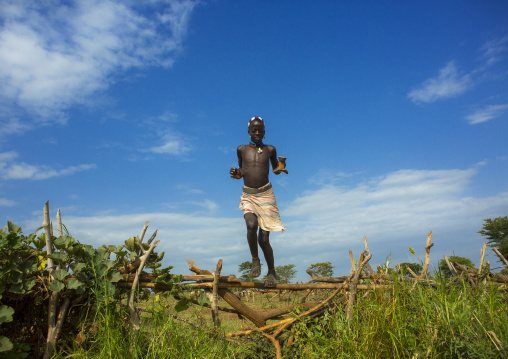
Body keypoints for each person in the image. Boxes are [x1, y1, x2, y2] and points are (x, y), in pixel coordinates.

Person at [230, 116, 288, 287]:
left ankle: (271, 271)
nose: (257, 132)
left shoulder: (270, 149)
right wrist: (236, 173)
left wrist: (280, 168)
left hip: (265, 195)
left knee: (263, 240)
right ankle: (255, 261)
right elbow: (242, 171)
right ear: (248, 132)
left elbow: (275, 169)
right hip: (248, 195)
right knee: (250, 225)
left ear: (264, 132)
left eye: (260, 130)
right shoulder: (241, 149)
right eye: (254, 130)